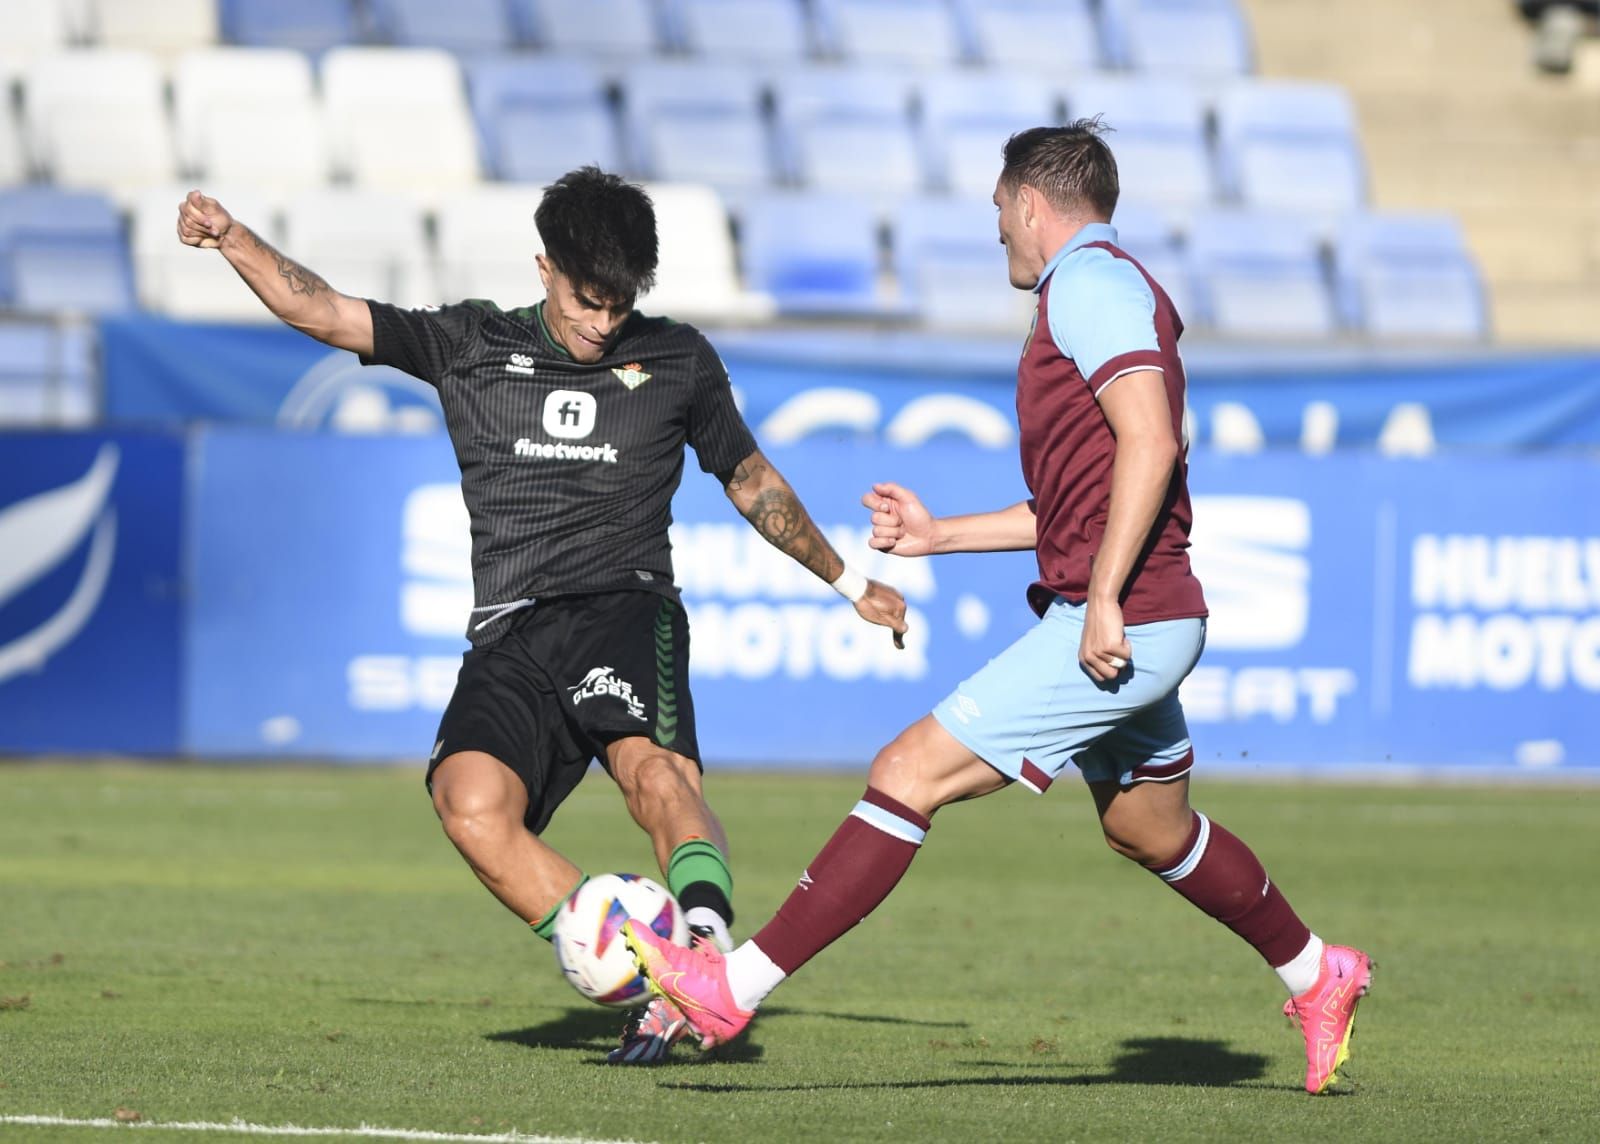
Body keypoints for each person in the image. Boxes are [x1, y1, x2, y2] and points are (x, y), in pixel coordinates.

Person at [624, 123, 1372, 1095]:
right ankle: (1320, 973)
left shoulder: (1093, 285)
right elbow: (1077, 502)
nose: (997, 237)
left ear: (1029, 203)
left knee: (905, 773)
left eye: (997, 213)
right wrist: (940, 537)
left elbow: (1149, 444)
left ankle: (733, 987)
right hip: (1139, 612)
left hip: (1124, 619)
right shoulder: (1096, 291)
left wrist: (1101, 598)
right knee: (1148, 827)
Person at [177, 166, 909, 1065]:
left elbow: (750, 480)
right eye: (585, 300)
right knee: (469, 803)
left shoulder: (678, 358)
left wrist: (848, 582)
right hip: (511, 630)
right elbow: (324, 310)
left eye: (618, 305)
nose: (602, 323)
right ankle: (649, 976)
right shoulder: (469, 342)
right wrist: (232, 237)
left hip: (625, 607)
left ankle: (706, 953)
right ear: (543, 267)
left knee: (656, 777)